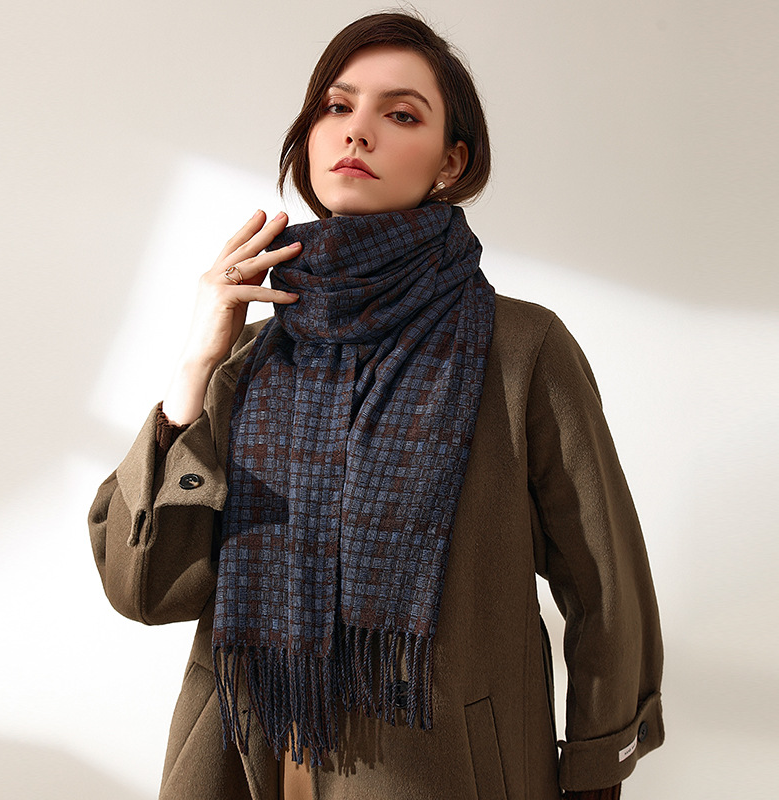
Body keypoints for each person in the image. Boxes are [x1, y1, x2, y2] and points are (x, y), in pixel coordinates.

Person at [89, 11, 663, 800]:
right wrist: (196, 364)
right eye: (336, 106)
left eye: (401, 115)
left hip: (447, 774)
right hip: (247, 767)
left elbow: (605, 586)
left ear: (452, 161)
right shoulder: (249, 360)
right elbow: (146, 590)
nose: (357, 131)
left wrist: (596, 770)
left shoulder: (519, 350)